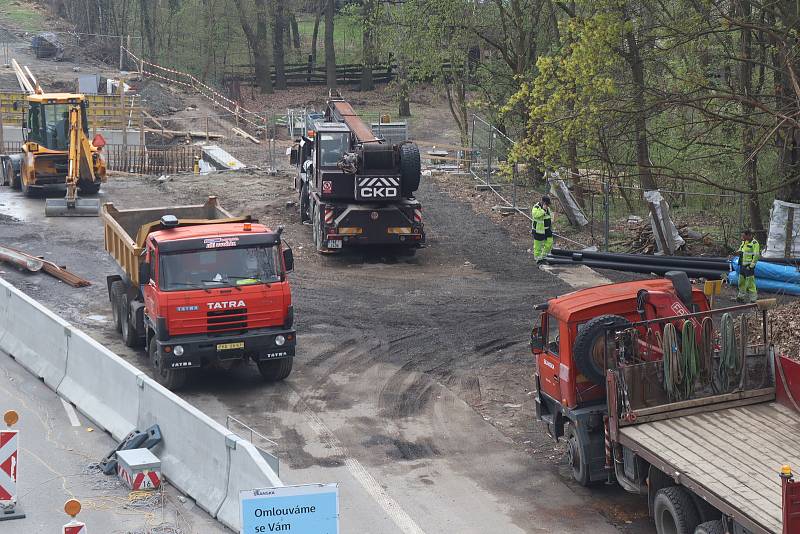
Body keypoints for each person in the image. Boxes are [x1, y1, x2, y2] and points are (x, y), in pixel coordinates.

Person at [736, 229, 760, 303]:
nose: (742, 237)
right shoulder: (744, 242)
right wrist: (738, 252)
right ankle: (740, 297)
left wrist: (751, 266)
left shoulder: (755, 243)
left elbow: (756, 256)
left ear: (748, 235)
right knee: (741, 281)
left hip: (748, 266)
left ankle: (753, 299)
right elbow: (741, 250)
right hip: (742, 265)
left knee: (750, 283)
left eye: (743, 236)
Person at [531, 196, 553, 264]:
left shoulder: (548, 208)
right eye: (547, 204)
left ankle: (543, 256)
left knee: (549, 243)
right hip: (538, 230)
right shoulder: (536, 207)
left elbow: (550, 216)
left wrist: (552, 220)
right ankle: (538, 259)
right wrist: (543, 210)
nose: (548, 206)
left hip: (547, 230)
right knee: (538, 246)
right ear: (543, 202)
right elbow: (536, 215)